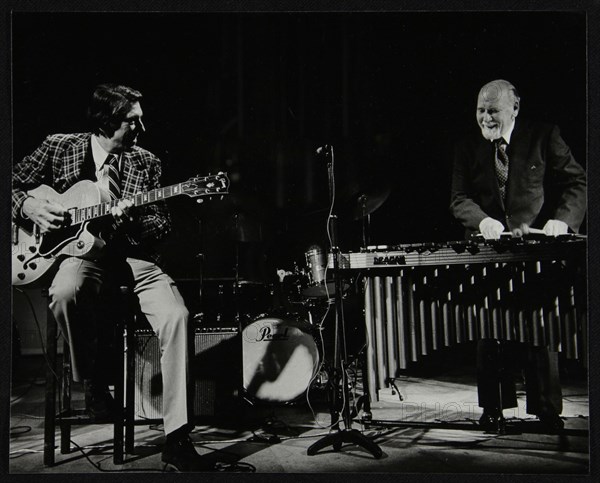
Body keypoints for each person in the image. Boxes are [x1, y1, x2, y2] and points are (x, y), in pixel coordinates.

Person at [12, 84, 213, 471]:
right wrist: (32, 206)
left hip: (134, 258)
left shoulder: (146, 162)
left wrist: (132, 218)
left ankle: (178, 436)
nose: (141, 128)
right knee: (66, 291)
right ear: (106, 122)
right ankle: (91, 382)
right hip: (81, 256)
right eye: (131, 121)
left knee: (177, 317)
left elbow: (162, 223)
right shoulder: (59, 147)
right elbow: (11, 183)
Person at [450, 79, 587, 430]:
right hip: (488, 250)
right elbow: (459, 198)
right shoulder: (467, 147)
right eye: (480, 110)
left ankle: (545, 409)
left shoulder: (544, 135)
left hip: (535, 250)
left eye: (492, 110)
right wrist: (482, 222)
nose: (485, 117)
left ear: (515, 107)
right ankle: (493, 407)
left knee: (541, 326)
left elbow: (577, 182)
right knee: (488, 329)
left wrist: (563, 221)